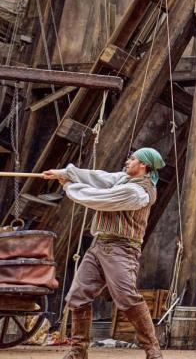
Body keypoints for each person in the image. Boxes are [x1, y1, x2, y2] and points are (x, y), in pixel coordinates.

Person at [42, 148, 165, 359]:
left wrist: (70, 187)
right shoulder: (122, 180)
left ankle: (152, 349)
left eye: (133, 159)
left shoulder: (139, 192)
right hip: (98, 246)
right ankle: (78, 351)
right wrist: (63, 172)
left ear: (144, 165)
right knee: (78, 296)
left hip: (122, 249)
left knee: (126, 297)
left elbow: (100, 198)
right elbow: (98, 177)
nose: (128, 161)